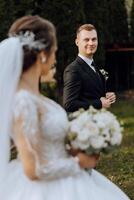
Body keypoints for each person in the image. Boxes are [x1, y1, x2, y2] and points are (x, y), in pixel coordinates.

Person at [0, 16, 129, 200]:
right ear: (43, 54)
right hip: (47, 190)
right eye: (54, 51)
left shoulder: (36, 99)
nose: (54, 57)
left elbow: (45, 140)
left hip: (66, 178)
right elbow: (32, 168)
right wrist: (77, 162)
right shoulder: (23, 102)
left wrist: (76, 148)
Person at [63, 24, 116, 112]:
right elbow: (69, 104)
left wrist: (107, 96)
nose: (91, 43)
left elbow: (93, 94)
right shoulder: (73, 70)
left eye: (94, 39)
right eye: (86, 40)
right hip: (84, 123)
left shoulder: (95, 66)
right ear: (77, 42)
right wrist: (99, 103)